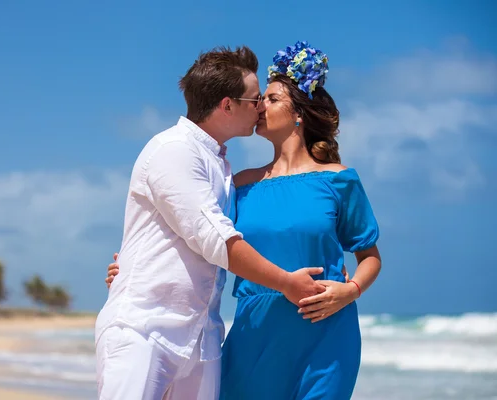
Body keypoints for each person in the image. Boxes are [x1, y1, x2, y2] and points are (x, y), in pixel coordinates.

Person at [106, 41, 382, 399]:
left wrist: (351, 290)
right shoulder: (238, 185)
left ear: (299, 113)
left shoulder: (339, 180)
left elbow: (369, 256)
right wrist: (129, 265)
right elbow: (196, 234)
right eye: (259, 99)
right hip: (255, 330)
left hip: (325, 331)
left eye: (271, 99)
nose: (259, 107)